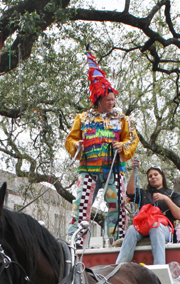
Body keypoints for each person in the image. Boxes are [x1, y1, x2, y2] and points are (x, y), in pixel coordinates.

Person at [64, 51, 139, 246]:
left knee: (118, 206)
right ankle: (75, 242)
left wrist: (122, 146)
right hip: (88, 169)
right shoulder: (82, 118)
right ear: (98, 99)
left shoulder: (122, 119)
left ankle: (117, 241)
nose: (112, 103)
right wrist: (77, 146)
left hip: (113, 170)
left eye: (113, 100)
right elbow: (70, 140)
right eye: (108, 100)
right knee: (81, 204)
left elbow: (132, 139)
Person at [115, 166, 180, 265]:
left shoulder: (173, 194)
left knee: (155, 228)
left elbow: (179, 215)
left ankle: (159, 268)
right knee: (131, 229)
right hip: (144, 227)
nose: (153, 177)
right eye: (150, 176)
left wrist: (166, 199)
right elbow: (130, 192)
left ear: (162, 176)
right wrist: (134, 170)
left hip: (163, 229)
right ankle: (120, 266)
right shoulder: (144, 193)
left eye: (156, 174)